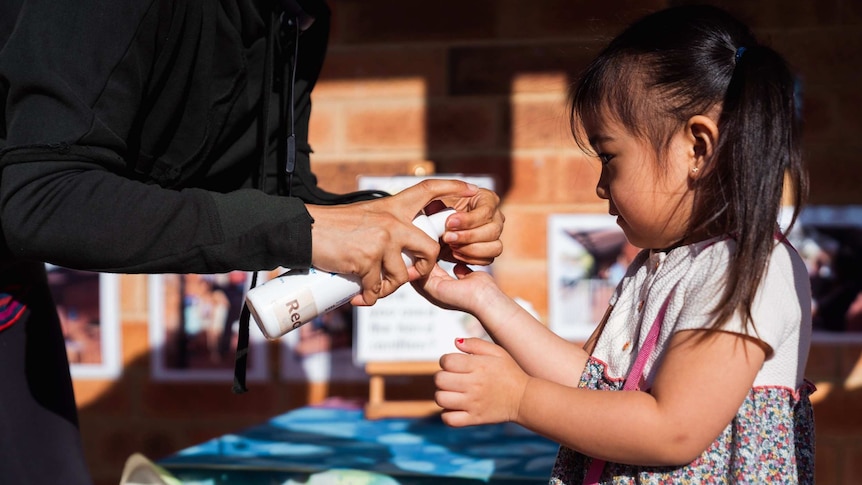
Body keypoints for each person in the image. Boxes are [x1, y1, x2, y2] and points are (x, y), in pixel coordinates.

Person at [0, 0, 504, 483]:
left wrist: (405, 222)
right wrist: (298, 230)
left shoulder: (299, 16)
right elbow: (43, 198)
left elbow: (275, 192)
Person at [414, 5, 814, 484]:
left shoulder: (747, 268)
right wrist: (482, 296)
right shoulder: (662, 264)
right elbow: (592, 384)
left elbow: (673, 429)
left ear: (699, 149)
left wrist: (519, 398)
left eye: (610, 157)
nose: (602, 186)